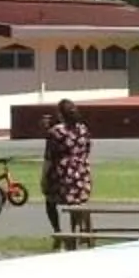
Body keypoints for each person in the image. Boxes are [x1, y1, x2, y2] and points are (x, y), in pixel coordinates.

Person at [40, 98, 93, 238]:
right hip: (81, 175)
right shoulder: (83, 129)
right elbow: (87, 150)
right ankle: (74, 231)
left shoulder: (55, 132)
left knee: (49, 200)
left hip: (62, 176)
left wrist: (43, 178)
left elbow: (49, 158)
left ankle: (58, 231)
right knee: (76, 203)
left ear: (60, 114)